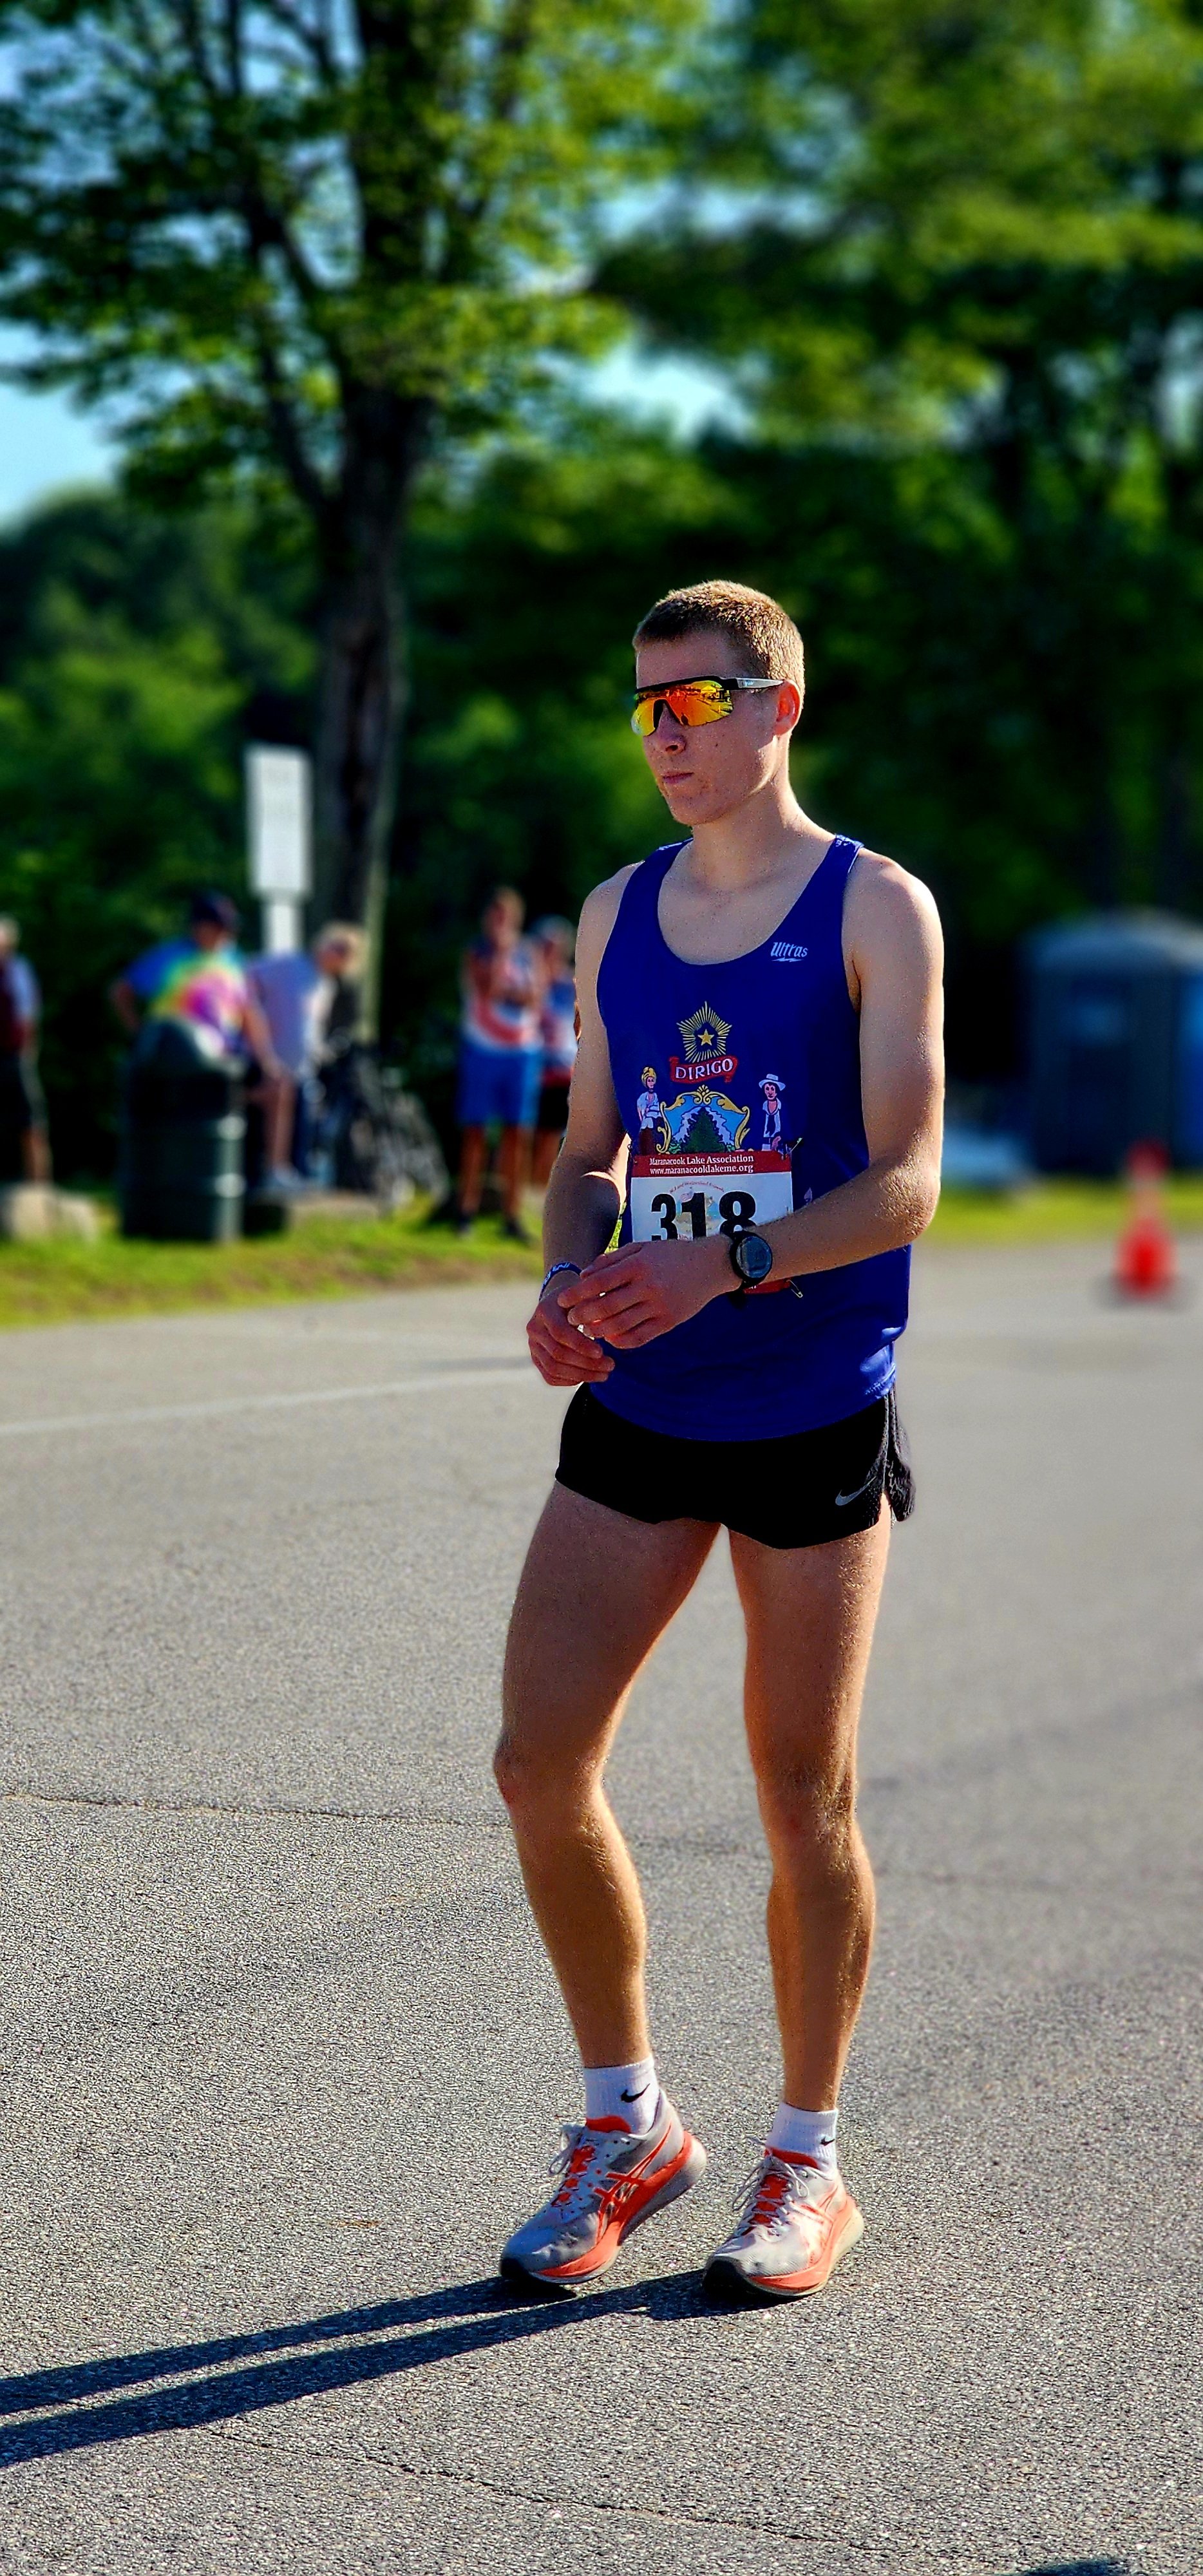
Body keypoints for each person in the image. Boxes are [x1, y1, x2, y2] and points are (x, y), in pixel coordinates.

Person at [495, 579, 943, 2304]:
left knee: (796, 1796)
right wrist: (567, 1276)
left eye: (693, 703)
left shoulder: (870, 908)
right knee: (537, 1763)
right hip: (642, 1393)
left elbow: (902, 1179)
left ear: (778, 709)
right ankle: (627, 2127)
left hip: (810, 1393)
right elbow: (588, 1150)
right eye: (643, 710)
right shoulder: (615, 913)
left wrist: (730, 1258)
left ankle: (807, 2160)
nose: (662, 737)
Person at [111, 892, 284, 1153]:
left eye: (228, 928)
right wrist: (140, 1034)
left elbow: (249, 1012)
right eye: (218, 927)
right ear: (198, 927)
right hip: (179, 1062)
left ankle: (272, 1171)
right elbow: (121, 993)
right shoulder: (169, 957)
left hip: (225, 1060)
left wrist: (266, 1057)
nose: (225, 934)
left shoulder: (234, 960)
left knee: (277, 1087)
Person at [455, 887, 545, 1242]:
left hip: (522, 1052)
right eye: (496, 916)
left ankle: (511, 1214)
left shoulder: (529, 953)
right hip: (482, 1049)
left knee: (517, 1133)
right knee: (476, 1131)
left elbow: (535, 995)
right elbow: (488, 989)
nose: (501, 924)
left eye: (507, 917)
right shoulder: (477, 951)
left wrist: (518, 988)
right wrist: (500, 953)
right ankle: (466, 1210)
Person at [248, 923, 366, 1186]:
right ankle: (272, 1172)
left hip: (301, 1068)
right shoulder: (289, 964)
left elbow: (312, 1026)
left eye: (344, 951)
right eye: (334, 944)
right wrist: (256, 1026)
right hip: (267, 1059)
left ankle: (287, 1173)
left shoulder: (326, 985)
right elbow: (247, 981)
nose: (335, 952)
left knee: (299, 1129)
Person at [0, 917, 52, 1182]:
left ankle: (38, 1184)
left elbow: (28, 1016)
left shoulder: (18, 971)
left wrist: (28, 1053)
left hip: (15, 1054)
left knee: (30, 1120)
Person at [531, 917, 578, 1189]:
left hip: (563, 1068)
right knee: (531, 1132)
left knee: (556, 1134)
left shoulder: (570, 984)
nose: (553, 954)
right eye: (547, 948)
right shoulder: (530, 982)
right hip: (534, 1067)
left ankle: (545, 1190)